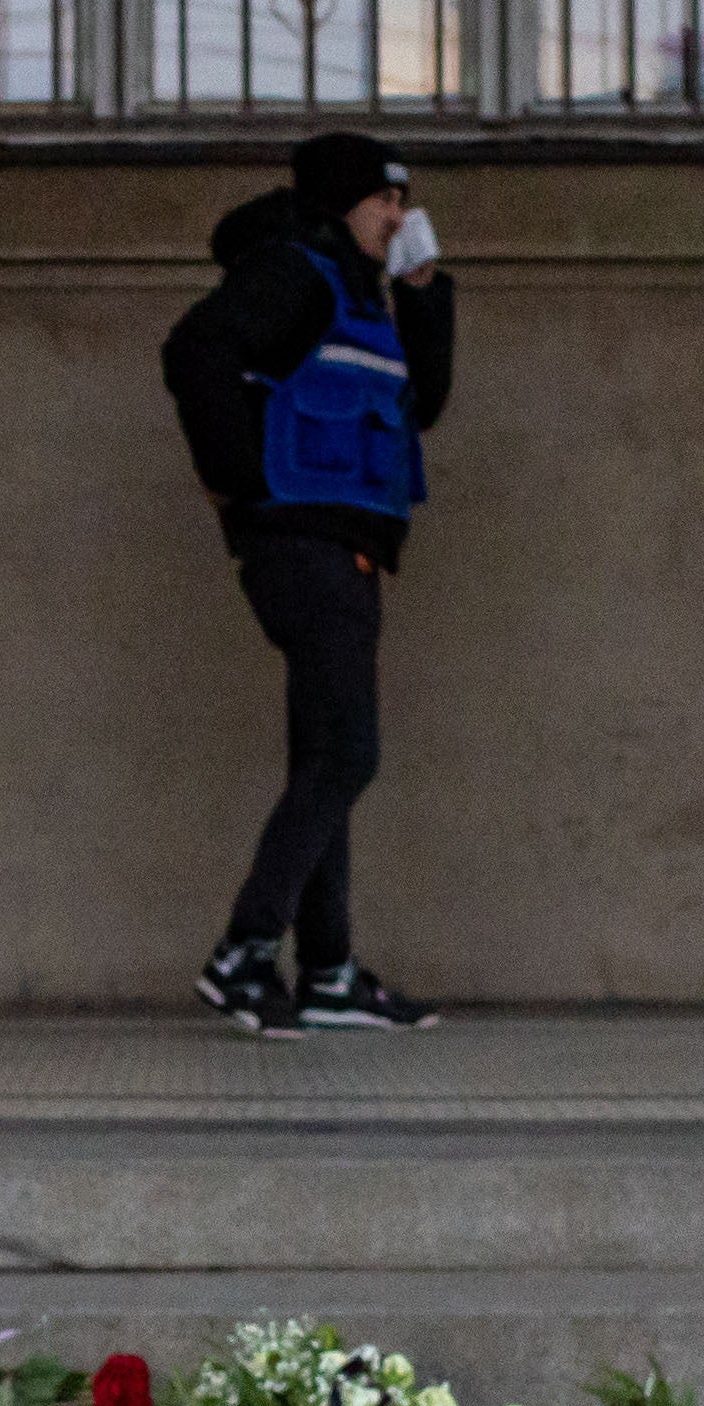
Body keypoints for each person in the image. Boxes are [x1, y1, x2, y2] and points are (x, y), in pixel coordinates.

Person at [161, 124, 453, 1032]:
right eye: (385, 199)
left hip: (343, 550)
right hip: (302, 547)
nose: (400, 214)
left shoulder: (360, 294)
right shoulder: (294, 271)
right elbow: (193, 349)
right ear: (343, 201)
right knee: (348, 753)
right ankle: (247, 951)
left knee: (325, 754)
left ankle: (327, 970)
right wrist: (244, 484)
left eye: (403, 200)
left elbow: (425, 406)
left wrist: (424, 294)